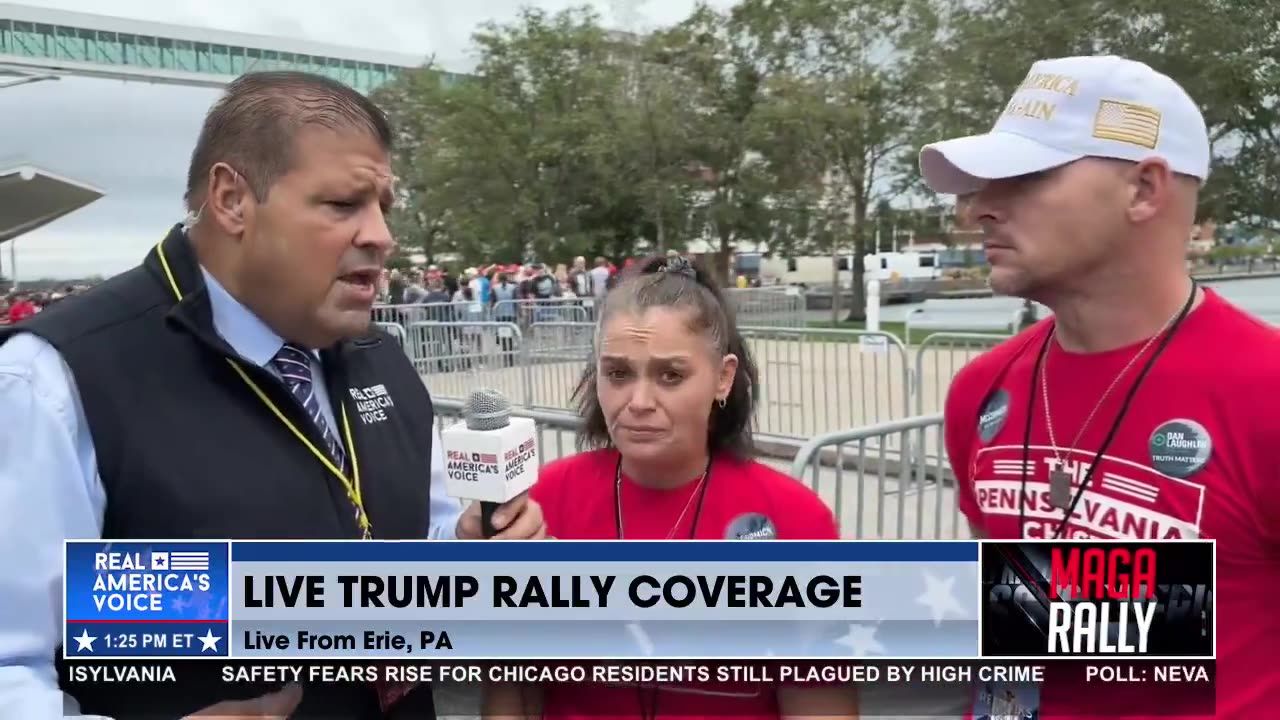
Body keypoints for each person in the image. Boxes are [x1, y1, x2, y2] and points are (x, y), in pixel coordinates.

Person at [0, 71, 546, 720]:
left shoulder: (383, 359)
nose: (380, 235)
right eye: (344, 205)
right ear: (232, 199)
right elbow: (13, 666)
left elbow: (416, 548)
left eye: (383, 208)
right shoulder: (56, 381)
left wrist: (468, 551)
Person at [926, 56, 1280, 716]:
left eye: (1024, 177)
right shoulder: (979, 392)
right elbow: (1009, 623)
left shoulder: (1267, 394)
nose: (980, 208)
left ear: (1144, 190)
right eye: (980, 184)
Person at [482, 255, 858, 720]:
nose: (639, 402)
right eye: (618, 373)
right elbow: (511, 687)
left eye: (670, 375)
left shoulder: (795, 518)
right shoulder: (543, 503)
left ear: (723, 377)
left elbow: (820, 705)